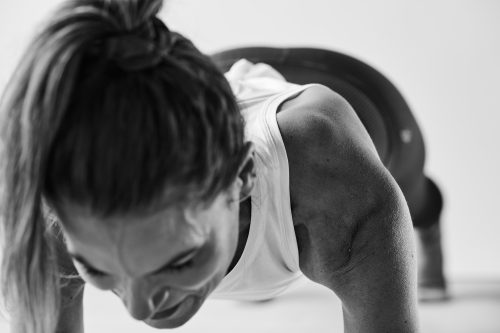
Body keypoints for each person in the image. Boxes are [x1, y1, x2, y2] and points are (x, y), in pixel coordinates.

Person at [0, 0, 446, 332]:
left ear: (243, 177)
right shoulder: (54, 210)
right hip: (217, 74)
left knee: (414, 199)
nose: (139, 309)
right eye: (97, 268)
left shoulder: (334, 185)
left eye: (180, 261)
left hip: (364, 97)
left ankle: (430, 225)